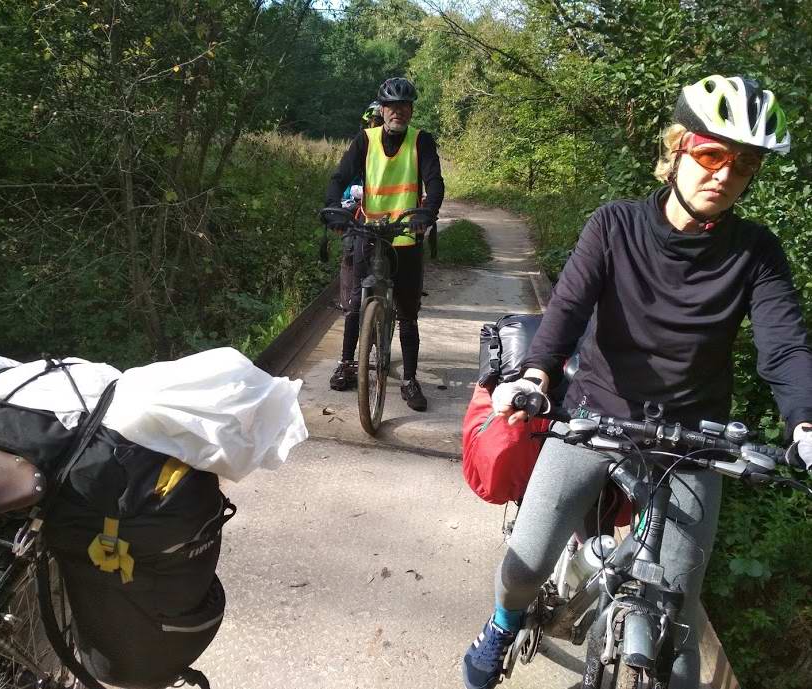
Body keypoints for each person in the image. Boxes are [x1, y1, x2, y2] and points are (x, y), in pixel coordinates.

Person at [461, 74, 812, 689]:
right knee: (526, 562)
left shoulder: (755, 251)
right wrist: (535, 376)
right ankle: (500, 623)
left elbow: (784, 344)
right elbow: (567, 309)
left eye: (744, 165)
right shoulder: (615, 225)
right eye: (710, 154)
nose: (724, 175)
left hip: (693, 439)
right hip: (596, 413)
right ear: (677, 148)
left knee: (677, 626)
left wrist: (805, 421)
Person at [324, 77, 445, 411]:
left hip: (406, 234)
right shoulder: (365, 140)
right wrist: (335, 208)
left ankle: (409, 379)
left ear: (410, 110)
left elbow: (434, 182)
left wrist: (428, 213)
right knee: (353, 303)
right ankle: (347, 363)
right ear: (382, 109)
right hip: (369, 231)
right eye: (392, 106)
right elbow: (340, 177)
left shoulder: (422, 142)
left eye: (405, 106)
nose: (398, 112)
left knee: (407, 313)